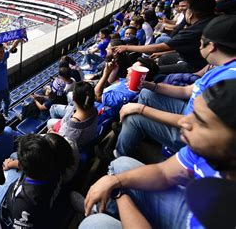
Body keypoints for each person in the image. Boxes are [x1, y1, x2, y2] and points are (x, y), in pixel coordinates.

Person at [80, 79, 236, 229]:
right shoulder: (207, 149)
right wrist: (116, 180)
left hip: (192, 218)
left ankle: (101, 211)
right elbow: (164, 172)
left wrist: (120, 193)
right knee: (120, 166)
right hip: (192, 210)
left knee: (93, 224)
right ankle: (104, 208)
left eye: (201, 122)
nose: (183, 122)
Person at [116, 14, 236, 157]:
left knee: (133, 118)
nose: (198, 46)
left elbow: (193, 123)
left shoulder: (228, 81)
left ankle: (119, 154)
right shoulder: (221, 67)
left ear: (210, 47)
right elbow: (186, 91)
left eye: (201, 42)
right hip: (189, 112)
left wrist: (140, 109)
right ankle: (141, 132)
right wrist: (149, 85)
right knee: (146, 93)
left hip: (191, 133)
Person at [115, 0, 216, 74]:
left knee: (153, 71)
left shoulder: (192, 31)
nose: (182, 11)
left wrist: (127, 47)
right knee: (163, 58)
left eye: (185, 10)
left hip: (194, 65)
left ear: (190, 14)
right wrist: (161, 54)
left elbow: (161, 46)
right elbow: (182, 44)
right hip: (192, 58)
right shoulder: (209, 22)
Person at [48, 81, 98, 149]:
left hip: (75, 142)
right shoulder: (93, 108)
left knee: (49, 122)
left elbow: (64, 142)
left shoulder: (73, 125)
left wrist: (51, 132)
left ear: (74, 98)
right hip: (87, 134)